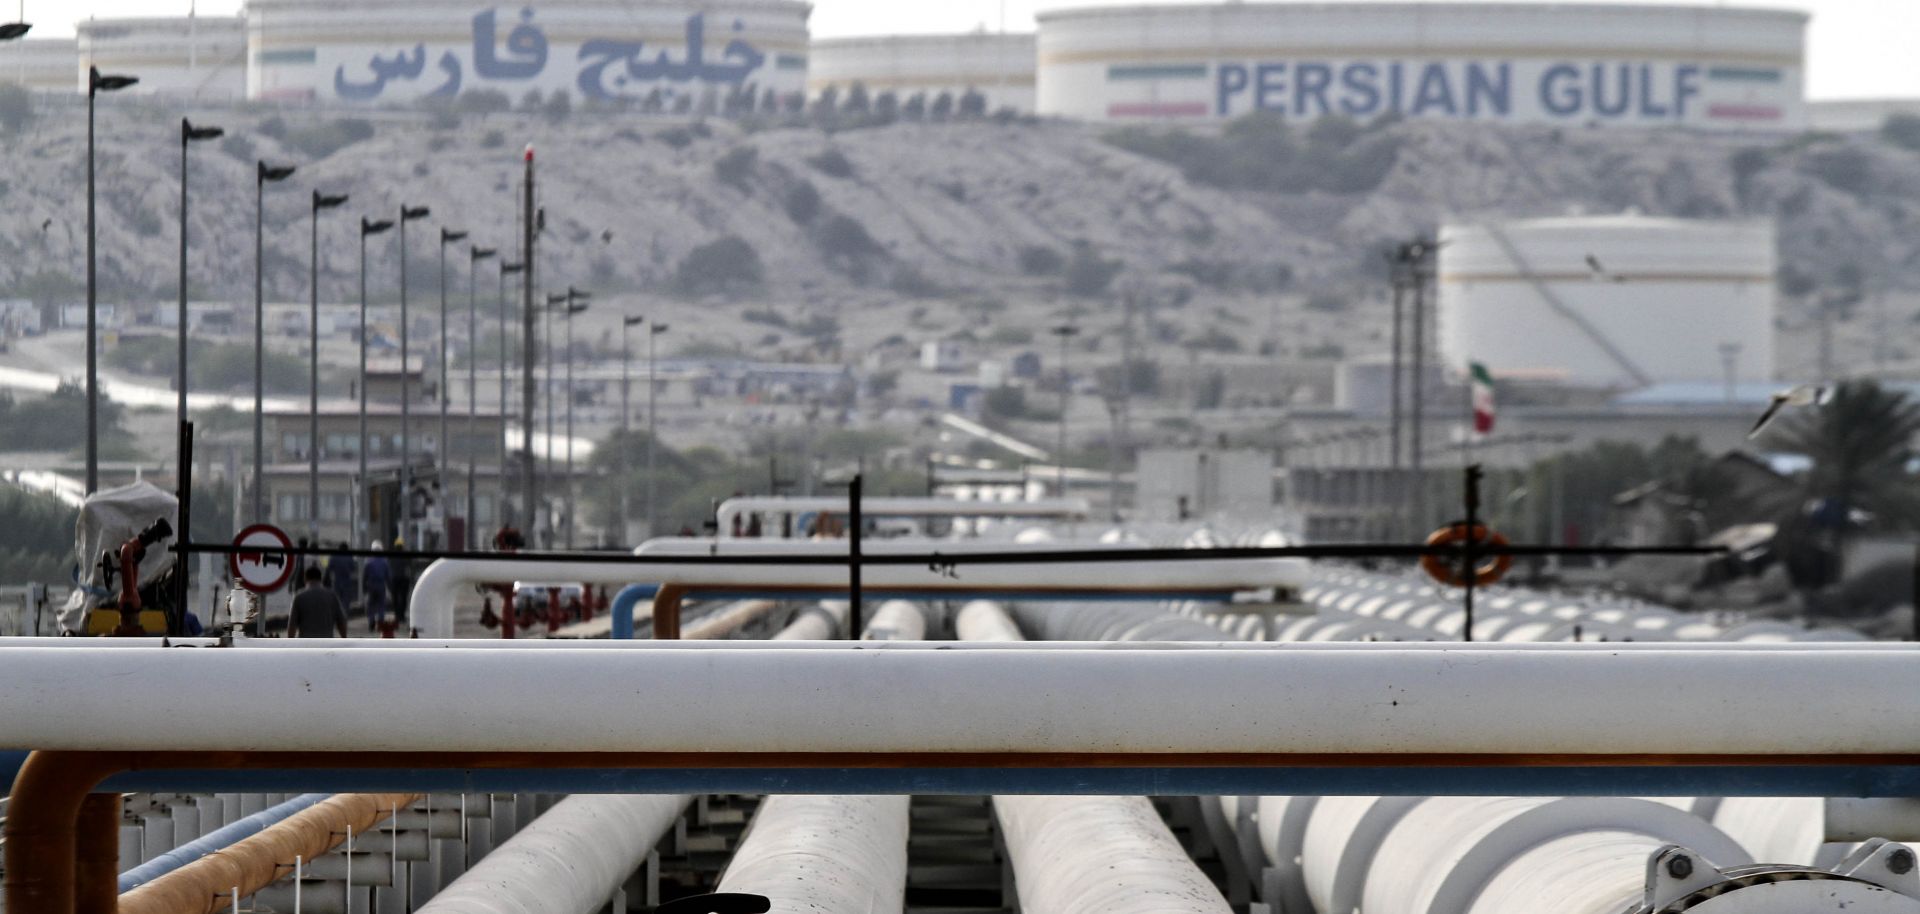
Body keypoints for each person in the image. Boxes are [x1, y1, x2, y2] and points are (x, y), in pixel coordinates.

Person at [287, 566, 348, 638]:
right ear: (321, 579)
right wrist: (344, 638)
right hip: (327, 642)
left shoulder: (299, 597)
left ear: (305, 579)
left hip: (306, 644)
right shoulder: (332, 596)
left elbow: (292, 625)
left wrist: (290, 644)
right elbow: (341, 622)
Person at [363, 541, 392, 632]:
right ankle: (380, 622)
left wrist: (364, 588)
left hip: (371, 585)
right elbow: (388, 576)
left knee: (371, 605)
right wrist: (390, 588)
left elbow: (365, 576)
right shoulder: (385, 562)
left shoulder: (368, 562)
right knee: (381, 605)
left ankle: (371, 622)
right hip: (381, 586)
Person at [327, 543, 356, 616]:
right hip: (346, 582)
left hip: (336, 581)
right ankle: (344, 617)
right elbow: (353, 568)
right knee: (346, 602)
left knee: (336, 600)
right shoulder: (349, 557)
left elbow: (329, 568)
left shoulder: (334, 556)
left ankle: (336, 617)